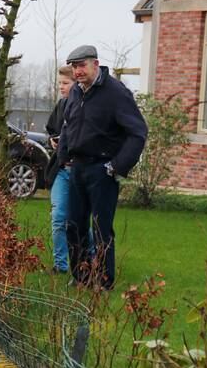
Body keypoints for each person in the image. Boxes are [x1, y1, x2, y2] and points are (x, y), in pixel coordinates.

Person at [57, 45, 148, 290]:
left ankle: (104, 281)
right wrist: (63, 155)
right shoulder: (76, 92)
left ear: (95, 64)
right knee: (74, 225)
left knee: (101, 229)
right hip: (77, 168)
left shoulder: (116, 92)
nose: (77, 71)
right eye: (74, 67)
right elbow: (67, 125)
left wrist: (117, 166)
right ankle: (80, 276)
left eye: (82, 66)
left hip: (102, 170)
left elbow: (138, 132)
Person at [44, 65, 75, 275]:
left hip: (81, 172)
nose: (61, 87)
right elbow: (51, 130)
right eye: (60, 83)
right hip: (61, 170)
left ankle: (92, 259)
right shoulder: (61, 105)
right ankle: (60, 265)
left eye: (65, 83)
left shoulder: (86, 106)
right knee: (58, 216)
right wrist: (52, 141)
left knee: (78, 220)